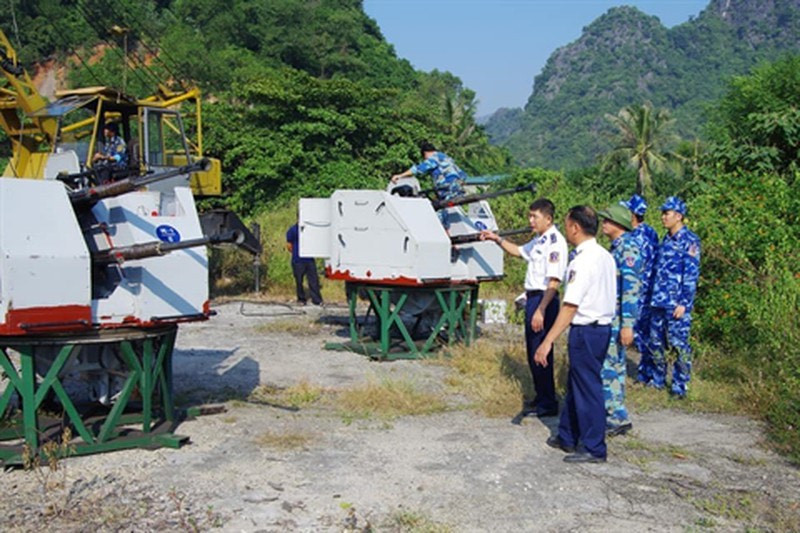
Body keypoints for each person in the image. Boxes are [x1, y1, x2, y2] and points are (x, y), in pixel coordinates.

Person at [534, 206, 616, 463]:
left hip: (587, 330)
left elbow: (570, 306)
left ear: (575, 228)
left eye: (567, 224)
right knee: (576, 383)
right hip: (600, 328)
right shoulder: (605, 255)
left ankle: (594, 447)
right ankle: (567, 436)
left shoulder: (583, 261)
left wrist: (547, 341)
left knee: (588, 389)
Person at [480, 199, 567, 423]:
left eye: (534, 217)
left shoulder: (555, 243)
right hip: (534, 298)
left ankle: (548, 403)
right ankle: (541, 397)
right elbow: (519, 251)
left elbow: (554, 282)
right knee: (532, 351)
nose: (530, 221)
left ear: (548, 219)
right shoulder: (539, 240)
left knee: (541, 352)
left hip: (544, 299)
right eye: (529, 216)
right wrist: (497, 239)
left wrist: (540, 309)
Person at [644, 196, 700, 397]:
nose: (663, 217)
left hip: (676, 304)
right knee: (655, 342)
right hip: (659, 301)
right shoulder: (665, 239)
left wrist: (684, 303)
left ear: (678, 216)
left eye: (666, 213)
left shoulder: (689, 241)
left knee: (678, 344)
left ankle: (680, 385)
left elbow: (691, 275)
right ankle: (657, 379)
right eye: (663, 213)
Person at [598, 204, 643, 437]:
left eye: (607, 219)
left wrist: (627, 324)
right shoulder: (616, 247)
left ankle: (616, 416)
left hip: (618, 318)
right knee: (612, 365)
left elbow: (630, 289)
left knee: (610, 367)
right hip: (611, 316)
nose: (603, 223)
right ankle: (615, 413)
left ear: (618, 223)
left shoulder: (628, 249)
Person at [619, 194, 659, 383]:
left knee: (638, 333)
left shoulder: (636, 237)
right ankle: (647, 373)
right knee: (645, 333)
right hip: (648, 291)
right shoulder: (651, 232)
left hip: (637, 291)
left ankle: (645, 374)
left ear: (633, 214)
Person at [390, 141, 466, 227]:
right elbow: (463, 175)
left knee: (438, 214)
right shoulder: (445, 157)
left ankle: (443, 235)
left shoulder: (433, 159)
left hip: (448, 190)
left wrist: (400, 176)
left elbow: (417, 169)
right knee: (444, 209)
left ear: (425, 154)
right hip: (458, 189)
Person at [286, 223, 323, 306]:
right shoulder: (292, 230)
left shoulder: (310, 229)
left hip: (309, 259)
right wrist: (296, 252)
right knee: (299, 281)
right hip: (297, 259)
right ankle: (301, 299)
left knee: (313, 280)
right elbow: (289, 245)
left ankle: (317, 299)